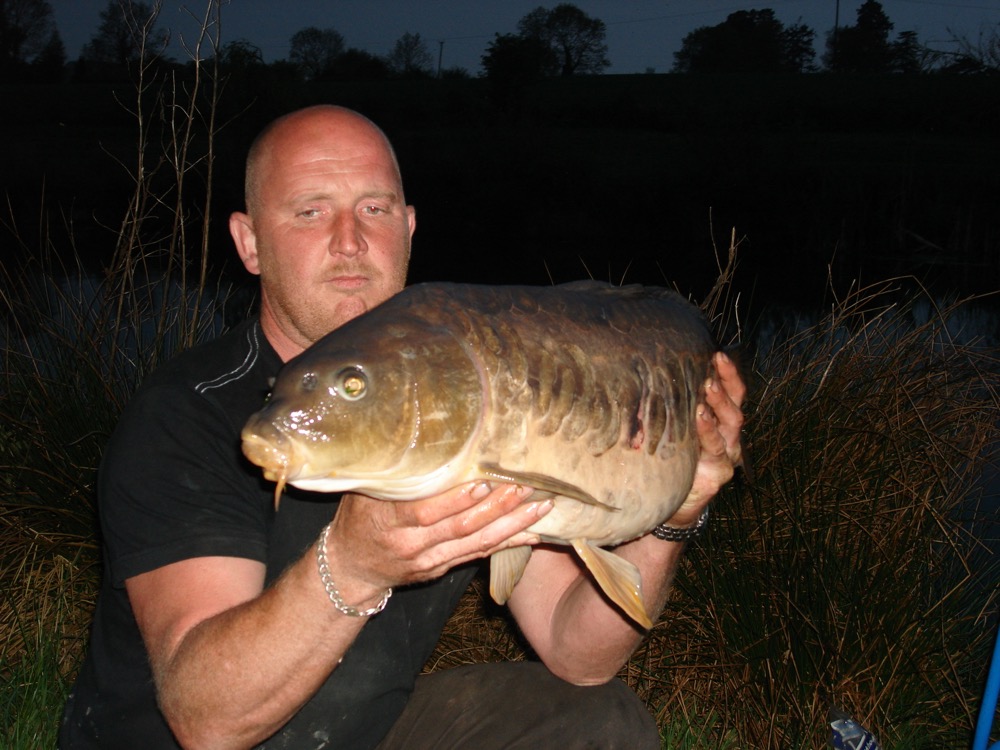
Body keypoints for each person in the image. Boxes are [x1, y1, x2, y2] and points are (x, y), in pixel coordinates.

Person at [59, 104, 745, 750]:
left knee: (600, 723)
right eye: (310, 211)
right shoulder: (185, 415)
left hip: (360, 732)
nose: (350, 241)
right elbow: (206, 720)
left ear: (409, 228)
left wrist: (675, 512)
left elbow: (577, 654)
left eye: (375, 209)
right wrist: (352, 566)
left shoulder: (465, 391)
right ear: (250, 243)